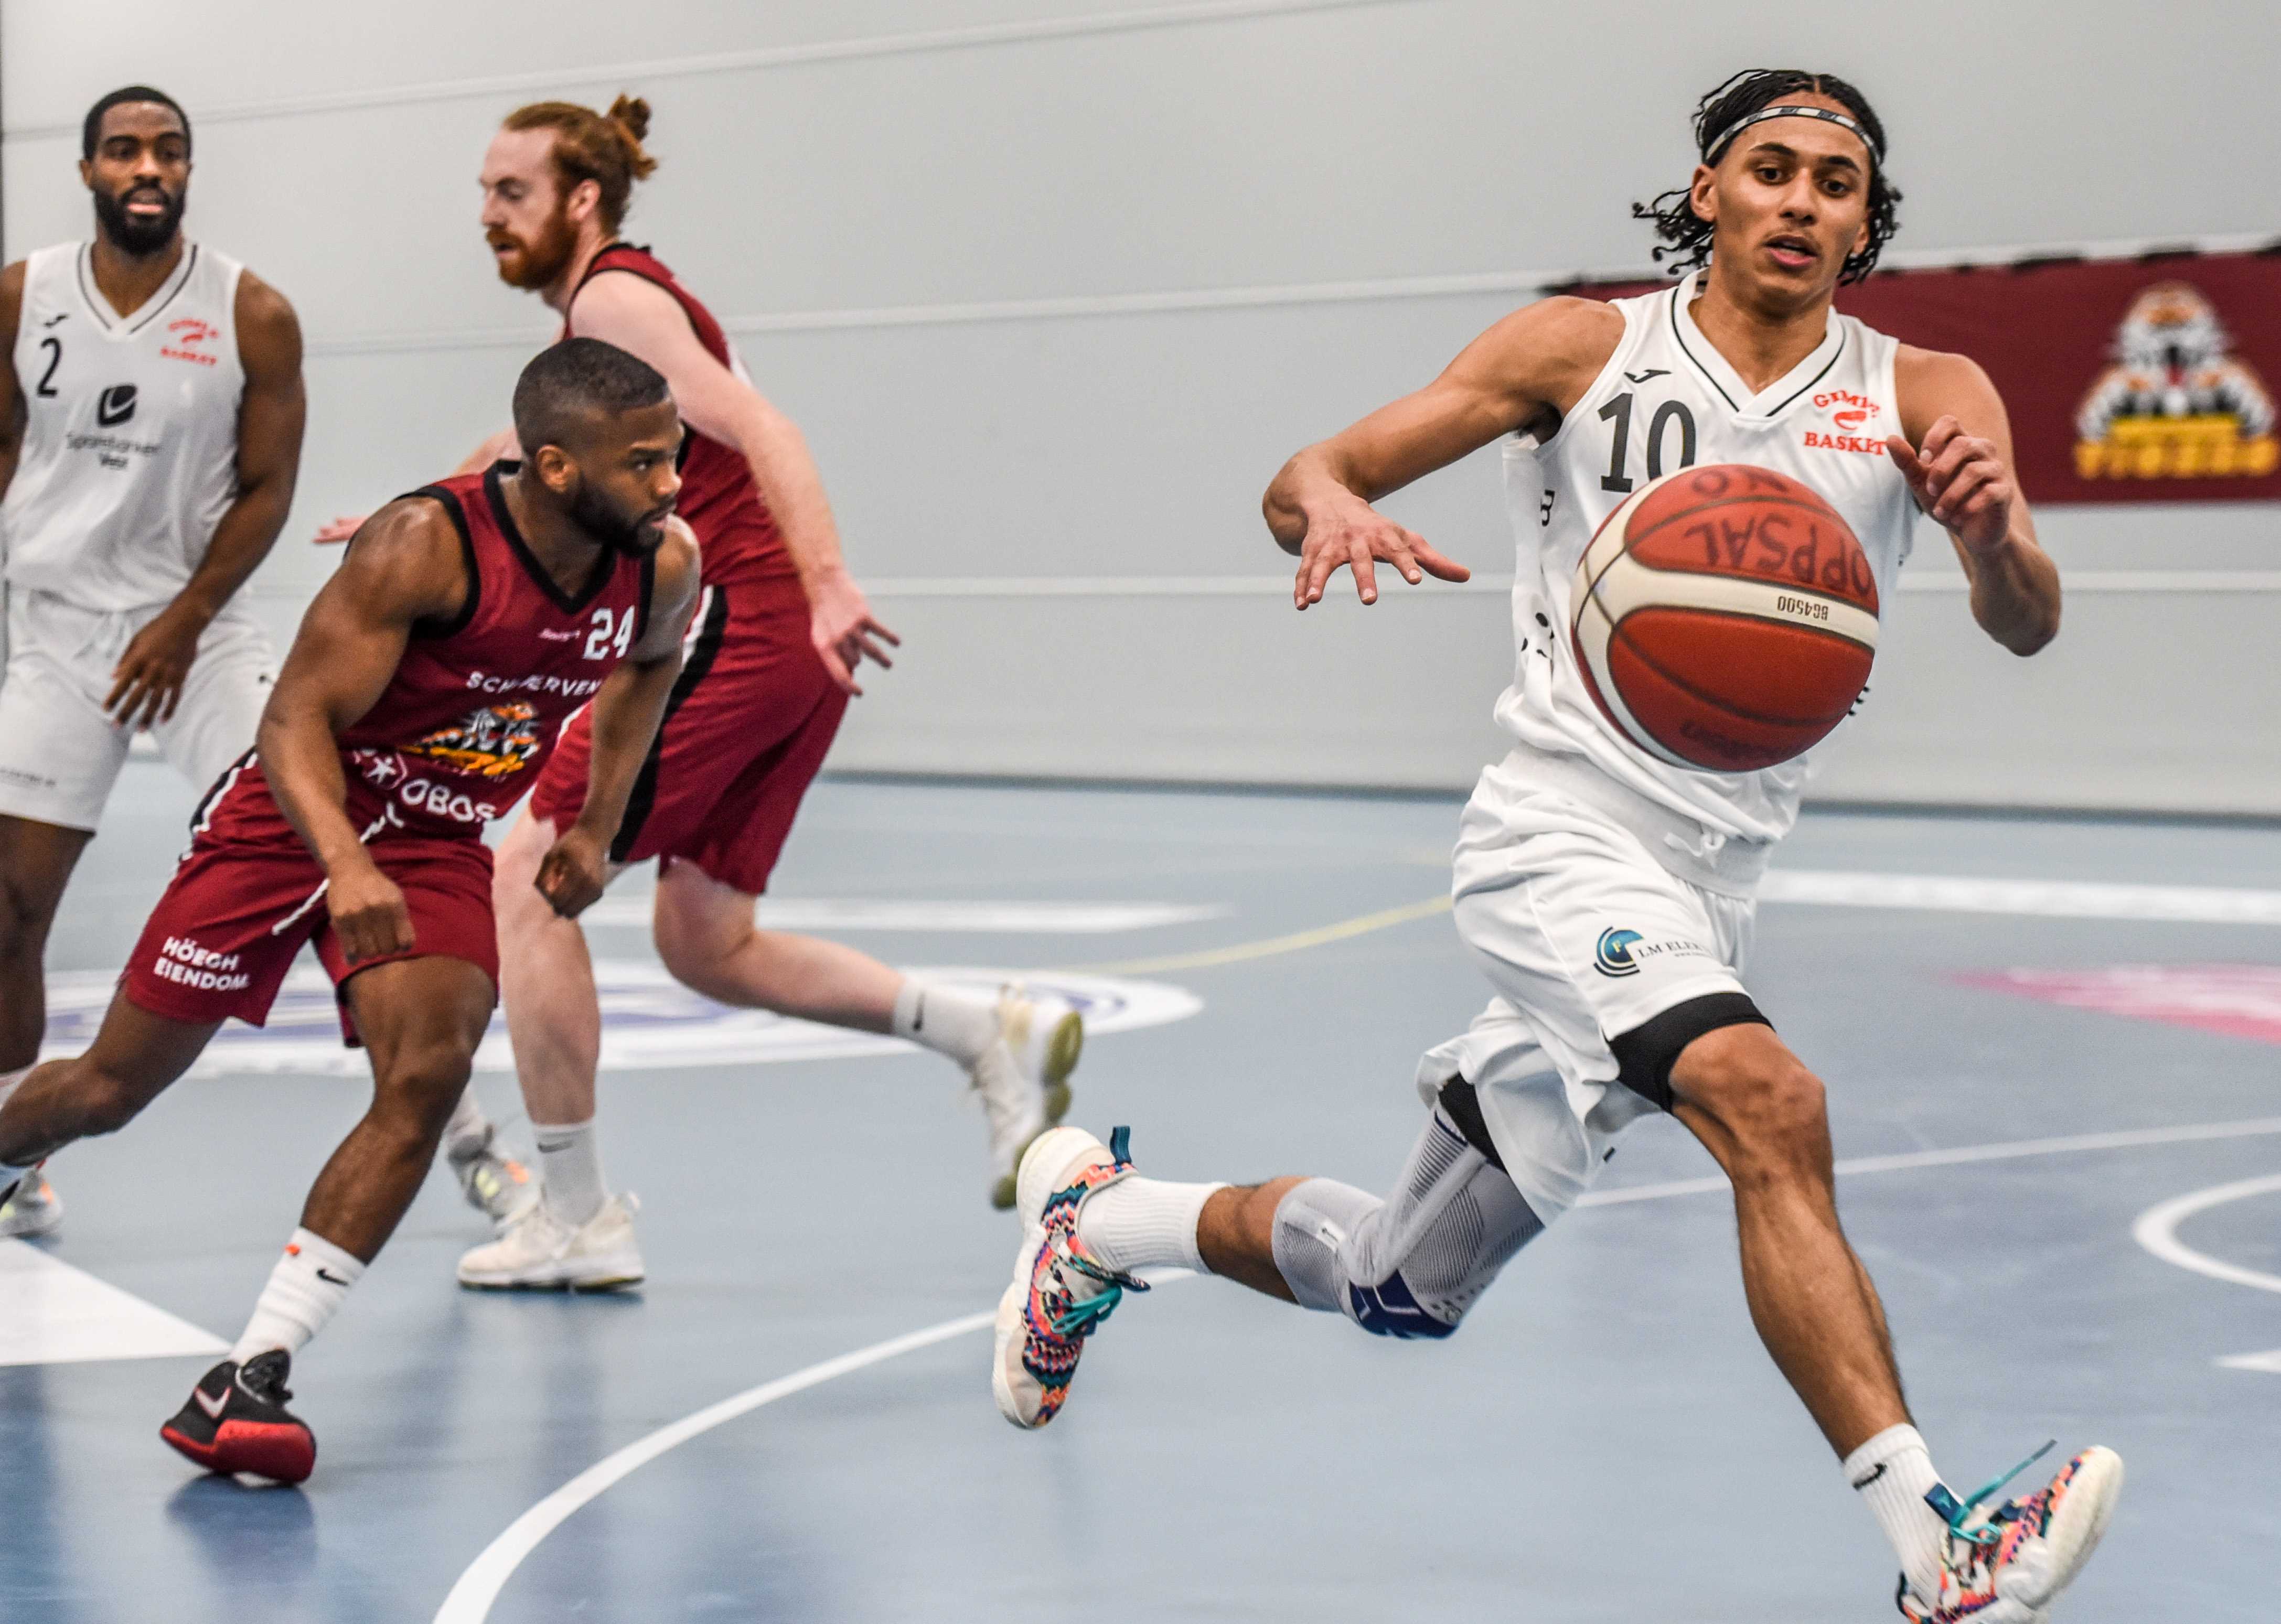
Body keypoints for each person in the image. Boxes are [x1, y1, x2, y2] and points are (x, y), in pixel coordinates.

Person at [989, 70, 2122, 1623]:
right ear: (1707, 192)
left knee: (1400, 1279)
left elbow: (2025, 621)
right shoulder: (1580, 348)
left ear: (1864, 221)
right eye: (1769, 169)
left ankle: (1095, 1228)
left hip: (1706, 886)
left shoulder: (1925, 393)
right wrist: (1327, 511)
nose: (1800, 201)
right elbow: (1305, 471)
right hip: (1555, 838)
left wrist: (1992, 536)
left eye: (1835, 183)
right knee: (1761, 1098)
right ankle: (1939, 1550)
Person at [322, 96, 1079, 1294]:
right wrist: (416, 514)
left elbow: (761, 423)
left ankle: (575, 1216)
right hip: (784, 644)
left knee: (527, 875)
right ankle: (987, 1029)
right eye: (481, 194)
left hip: (747, 622)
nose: (487, 217)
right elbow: (522, 453)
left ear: (581, 200)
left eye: (509, 194)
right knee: (704, 939)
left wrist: (826, 582)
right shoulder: (614, 317)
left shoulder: (615, 300)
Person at [0, 339, 700, 1483]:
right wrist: (345, 864)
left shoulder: (660, 566)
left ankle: (253, 1375)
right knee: (107, 1091)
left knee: (425, 1076)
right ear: (560, 468)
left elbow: (647, 672)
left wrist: (593, 827)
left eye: (674, 457)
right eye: (648, 463)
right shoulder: (424, 545)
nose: (673, 485)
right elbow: (288, 725)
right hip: (295, 815)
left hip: (434, 841)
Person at [0, 85, 314, 1239]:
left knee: (313, 841)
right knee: (9, 912)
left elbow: (268, 489)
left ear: (189, 169)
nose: (149, 167)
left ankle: (463, 1132)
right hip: (59, 631)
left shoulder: (253, 312)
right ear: (87, 169)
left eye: (168, 151)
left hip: (200, 629)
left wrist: (185, 616)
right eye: (125, 150)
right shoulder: (22, 293)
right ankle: (15, 1155)